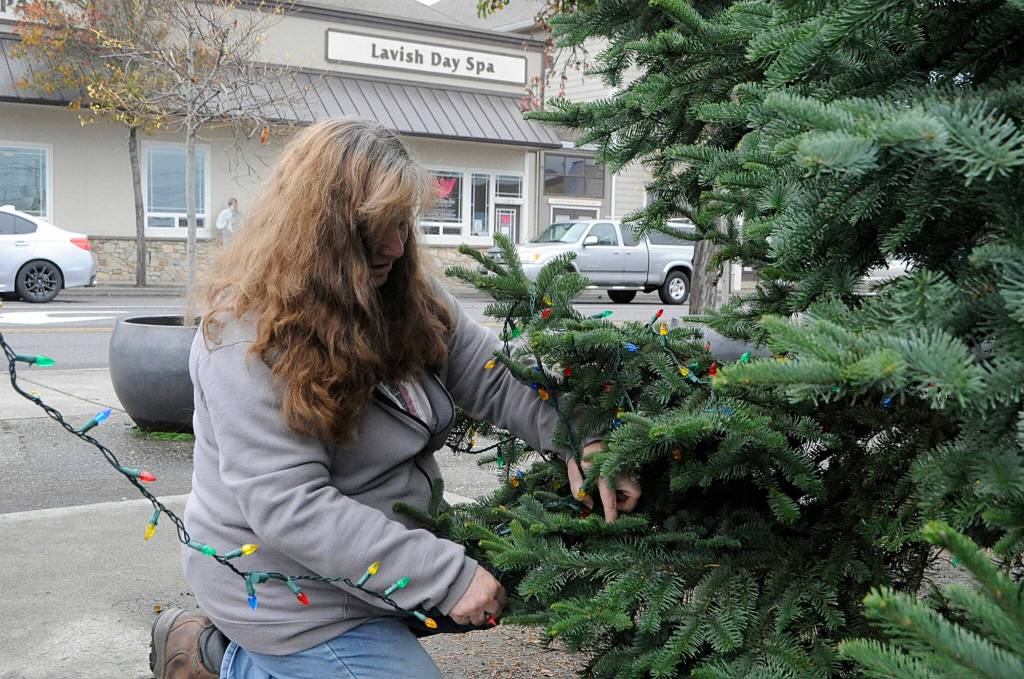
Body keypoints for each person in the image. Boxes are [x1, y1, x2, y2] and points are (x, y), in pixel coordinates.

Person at [149, 117, 641, 679]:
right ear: (319, 233)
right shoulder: (245, 339)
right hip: (288, 591)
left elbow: (495, 377)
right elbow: (291, 507)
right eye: (374, 227)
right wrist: (443, 575)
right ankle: (222, 658)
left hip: (382, 551)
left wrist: (584, 441)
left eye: (401, 222)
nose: (396, 245)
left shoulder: (403, 291)